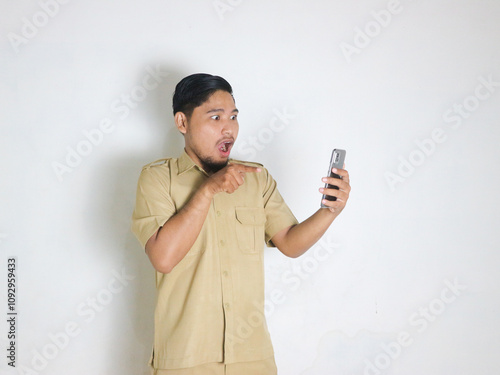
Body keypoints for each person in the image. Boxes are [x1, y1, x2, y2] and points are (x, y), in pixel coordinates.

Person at [131, 73, 351, 375]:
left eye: (233, 117)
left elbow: (289, 241)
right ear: (182, 123)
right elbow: (163, 257)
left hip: (252, 359)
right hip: (185, 359)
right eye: (215, 117)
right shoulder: (157, 179)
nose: (228, 128)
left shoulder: (255, 178)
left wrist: (330, 211)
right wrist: (207, 190)